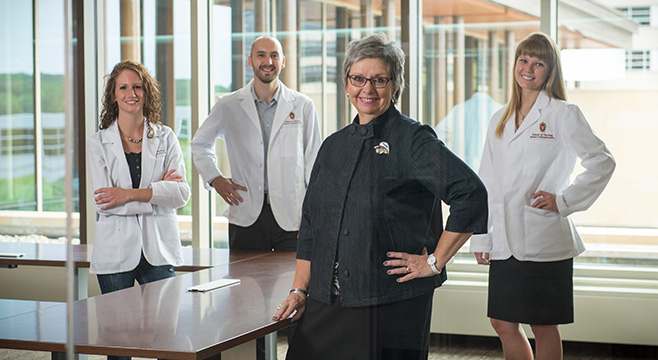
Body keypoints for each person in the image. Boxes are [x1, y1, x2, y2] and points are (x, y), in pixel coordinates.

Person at [272, 33, 488, 360]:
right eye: (358, 78)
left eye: (379, 80)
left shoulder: (413, 140)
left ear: (395, 86)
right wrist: (300, 289)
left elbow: (470, 194)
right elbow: (313, 227)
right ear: (346, 83)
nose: (367, 89)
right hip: (325, 303)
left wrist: (434, 261)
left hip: (389, 304)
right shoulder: (332, 146)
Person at [469, 32, 615, 360]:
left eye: (538, 63)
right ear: (515, 65)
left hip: (543, 237)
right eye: (524, 60)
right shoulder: (499, 120)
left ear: (550, 71)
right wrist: (481, 238)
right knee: (501, 321)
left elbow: (602, 162)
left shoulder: (564, 113)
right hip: (505, 239)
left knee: (543, 325)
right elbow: (487, 183)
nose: (529, 69)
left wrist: (563, 200)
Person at [86, 60, 190, 360]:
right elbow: (103, 202)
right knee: (119, 343)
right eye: (123, 87)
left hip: (159, 248)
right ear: (113, 95)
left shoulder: (165, 137)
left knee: (168, 337)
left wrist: (127, 195)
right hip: (115, 251)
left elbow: (182, 193)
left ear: (146, 93)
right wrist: (157, 192)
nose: (131, 93)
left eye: (137, 86)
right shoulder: (98, 143)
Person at [190, 35, 321, 251]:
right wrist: (215, 178)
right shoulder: (229, 105)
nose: (268, 61)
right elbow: (200, 144)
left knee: (291, 281)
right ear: (250, 61)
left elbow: (314, 164)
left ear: (283, 62)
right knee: (245, 282)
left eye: (274, 56)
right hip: (245, 215)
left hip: (293, 216)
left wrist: (311, 215)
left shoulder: (302, 105)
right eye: (261, 55)